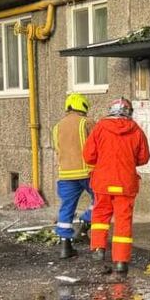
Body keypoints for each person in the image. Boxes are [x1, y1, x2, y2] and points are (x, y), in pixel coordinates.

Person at [83, 98, 150, 275]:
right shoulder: (136, 130)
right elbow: (144, 158)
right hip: (126, 182)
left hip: (103, 181)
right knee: (123, 221)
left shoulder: (99, 128)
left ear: (110, 110)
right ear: (129, 112)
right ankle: (121, 262)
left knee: (100, 215)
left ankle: (98, 248)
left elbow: (88, 156)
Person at [52, 93, 94, 259]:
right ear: (83, 106)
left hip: (66, 175)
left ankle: (65, 247)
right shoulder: (87, 122)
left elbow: (58, 149)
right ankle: (85, 224)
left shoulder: (57, 127)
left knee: (67, 208)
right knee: (102, 200)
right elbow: (98, 144)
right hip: (88, 172)